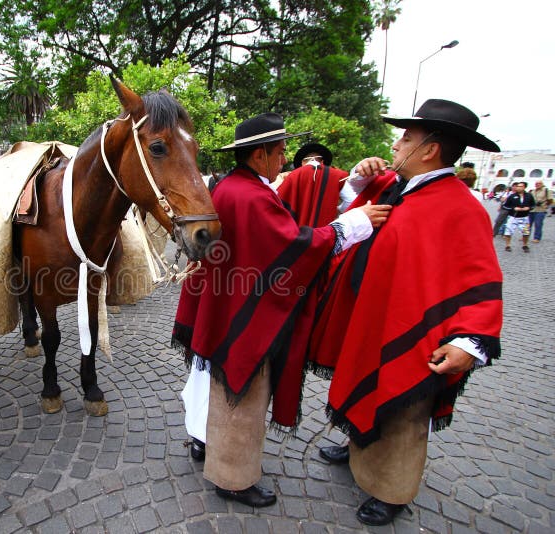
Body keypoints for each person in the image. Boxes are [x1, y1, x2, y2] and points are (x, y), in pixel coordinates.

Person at [172, 113, 391, 508]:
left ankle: (207, 445)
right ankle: (233, 478)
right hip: (247, 317)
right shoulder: (251, 195)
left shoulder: (236, 187)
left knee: (219, 389)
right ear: (259, 155)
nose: (284, 158)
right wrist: (352, 223)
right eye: (279, 151)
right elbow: (293, 246)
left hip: (228, 306)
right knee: (243, 396)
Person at [308, 99, 503, 526]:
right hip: (370, 320)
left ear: (430, 149)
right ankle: (360, 441)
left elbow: (483, 282)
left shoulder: (461, 207)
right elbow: (344, 213)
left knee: (402, 412)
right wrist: (359, 179)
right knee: (365, 388)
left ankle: (391, 489)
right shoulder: (397, 187)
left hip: (413, 334)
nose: (396, 145)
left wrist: (469, 340)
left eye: (406, 138)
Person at [276, 142, 349, 227]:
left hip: (299, 235)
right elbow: (350, 201)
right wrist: (336, 212)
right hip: (328, 233)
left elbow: (278, 205)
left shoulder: (291, 176)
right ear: (322, 161)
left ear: (303, 162)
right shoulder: (338, 175)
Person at [502, 181, 535, 252]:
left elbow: (533, 205)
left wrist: (528, 208)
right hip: (513, 217)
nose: (518, 188)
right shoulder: (512, 196)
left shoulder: (529, 196)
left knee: (526, 232)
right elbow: (505, 206)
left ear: (524, 187)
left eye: (520, 186)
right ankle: (507, 245)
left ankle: (525, 245)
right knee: (508, 231)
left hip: (524, 217)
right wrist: (513, 208)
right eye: (517, 186)